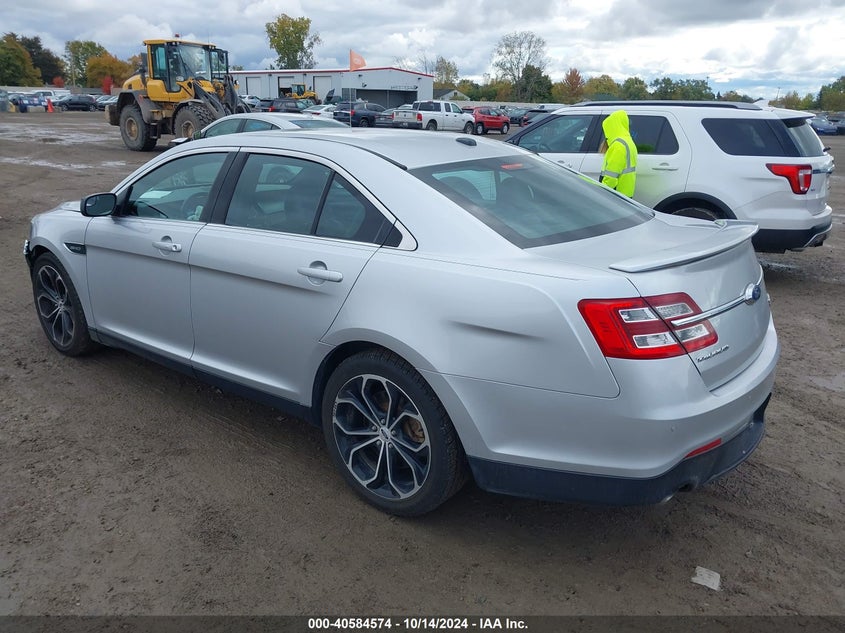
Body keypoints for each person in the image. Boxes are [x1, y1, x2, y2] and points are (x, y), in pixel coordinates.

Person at [599, 110, 637, 197]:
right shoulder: (628, 141)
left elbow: (611, 176)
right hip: (625, 192)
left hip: (615, 194)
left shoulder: (618, 145)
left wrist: (601, 194)